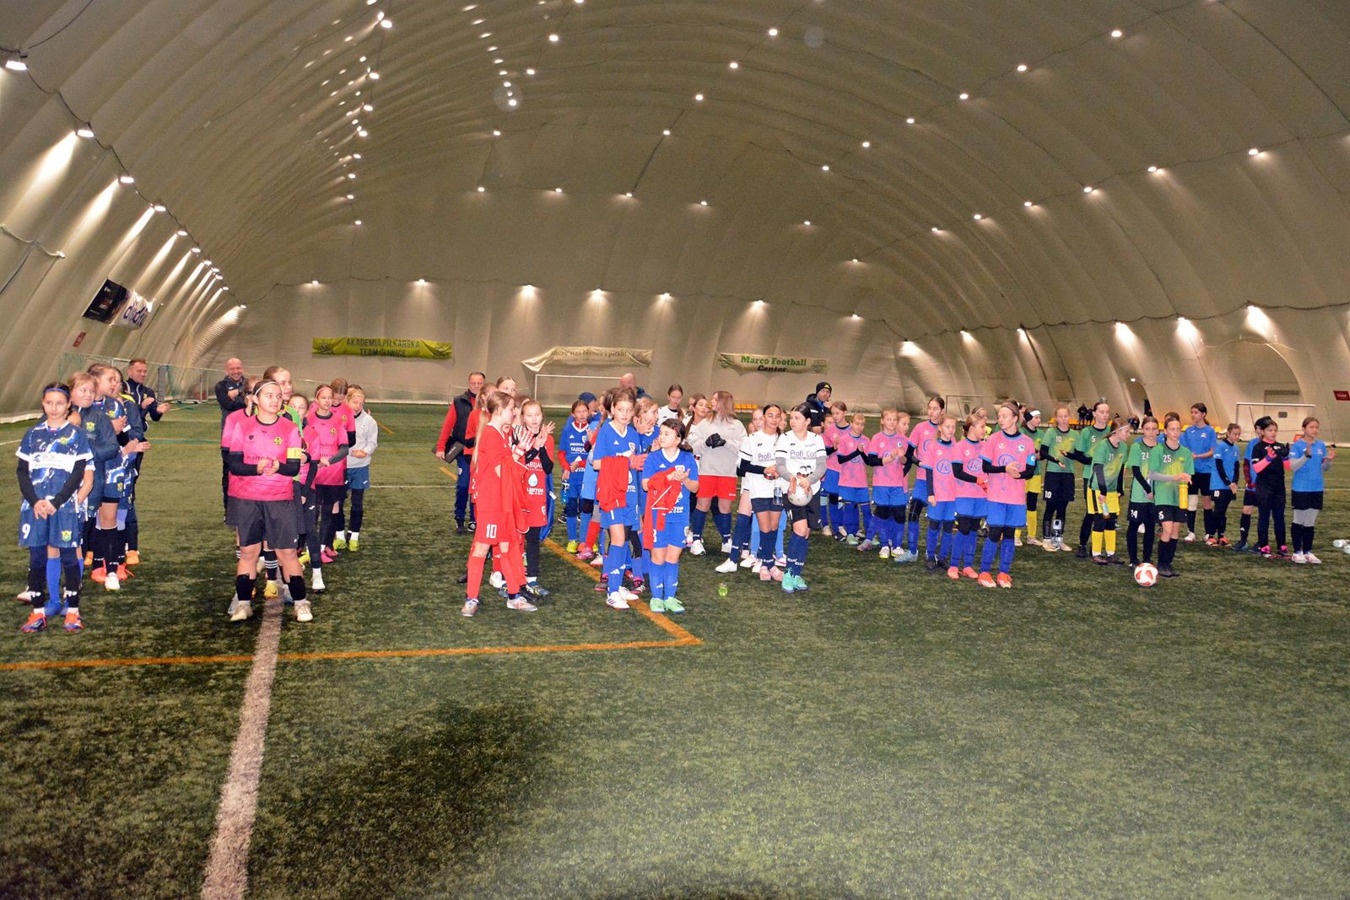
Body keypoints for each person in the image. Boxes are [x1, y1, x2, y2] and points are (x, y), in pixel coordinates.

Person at [225, 380, 309, 622]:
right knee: (248, 551)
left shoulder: (290, 429)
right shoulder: (241, 426)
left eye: (278, 396)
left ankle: (301, 604)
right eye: (269, 395)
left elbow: (293, 466)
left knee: (287, 552)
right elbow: (234, 464)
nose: (275, 400)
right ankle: (243, 605)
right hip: (248, 499)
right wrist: (256, 468)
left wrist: (278, 466)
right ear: (256, 399)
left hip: (279, 499)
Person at [16, 383, 93, 633]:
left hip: (64, 508)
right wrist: (34, 501)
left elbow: (78, 472)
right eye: (49, 403)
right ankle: (38, 612)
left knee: (69, 557)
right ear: (43, 403)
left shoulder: (76, 435)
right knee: (37, 558)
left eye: (59, 403)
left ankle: (73, 611)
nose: (54, 408)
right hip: (35, 508)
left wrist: (57, 501)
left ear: (68, 404)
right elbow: (22, 471)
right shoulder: (32, 434)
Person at [462, 391, 532, 616]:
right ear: (500, 410)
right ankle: (471, 598)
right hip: (492, 503)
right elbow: (502, 471)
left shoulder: (500, 434)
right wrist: (519, 452)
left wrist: (518, 452)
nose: (514, 412)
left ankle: (514, 596)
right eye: (511, 408)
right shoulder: (491, 435)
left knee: (507, 547)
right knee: (482, 548)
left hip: (502, 500)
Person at [974, 403, 1039, 587]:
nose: (1000, 419)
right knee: (994, 533)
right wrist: (1005, 469)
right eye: (999, 416)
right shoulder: (993, 439)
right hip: (996, 496)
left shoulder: (1027, 442)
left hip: (1016, 498)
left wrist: (1018, 474)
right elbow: (986, 467)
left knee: (1009, 534)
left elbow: (1030, 471)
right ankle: (984, 572)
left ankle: (1004, 573)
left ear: (1015, 418)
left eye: (1004, 416)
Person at [641, 419, 699, 612]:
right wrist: (667, 478)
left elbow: (695, 487)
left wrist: (685, 480)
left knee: (673, 557)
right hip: (658, 516)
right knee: (658, 556)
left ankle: (670, 598)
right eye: (661, 433)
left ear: (678, 439)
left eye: (667, 434)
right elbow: (645, 484)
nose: (661, 437)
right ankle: (656, 597)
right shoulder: (653, 458)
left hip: (680, 517)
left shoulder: (687, 458)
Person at [592, 388, 641, 609]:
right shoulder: (606, 431)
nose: (625, 414)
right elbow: (596, 463)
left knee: (625, 540)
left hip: (630, 494)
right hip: (612, 493)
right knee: (618, 539)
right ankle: (612, 592)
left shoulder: (633, 434)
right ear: (612, 409)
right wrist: (624, 460)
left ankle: (618, 584)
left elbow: (637, 465)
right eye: (621, 409)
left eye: (629, 410)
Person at [775, 405, 828, 594]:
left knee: (806, 532)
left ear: (807, 421)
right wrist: (792, 478)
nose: (793, 421)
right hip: (792, 491)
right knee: (799, 529)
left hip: (811, 490)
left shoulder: (816, 439)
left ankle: (797, 573)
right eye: (792, 418)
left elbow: (822, 465)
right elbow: (780, 465)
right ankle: (788, 573)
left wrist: (810, 480)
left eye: (797, 418)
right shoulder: (785, 438)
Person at [122, 359, 168, 565]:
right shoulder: (123, 389)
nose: (142, 374)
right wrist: (140, 408)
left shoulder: (148, 391)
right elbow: (132, 418)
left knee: (130, 484)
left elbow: (154, 418)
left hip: (138, 444)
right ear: (130, 370)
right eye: (139, 371)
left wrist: (158, 410)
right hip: (122, 443)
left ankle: (128, 539)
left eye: (144, 371)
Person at [688, 391, 746, 556]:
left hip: (728, 473)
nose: (711, 402)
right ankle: (696, 540)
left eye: (714, 399)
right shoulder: (705, 423)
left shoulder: (737, 425)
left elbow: (744, 446)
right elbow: (693, 445)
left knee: (725, 507)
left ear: (723, 402)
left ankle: (726, 540)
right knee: (702, 505)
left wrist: (726, 443)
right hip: (707, 471)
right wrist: (705, 443)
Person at [512, 398, 556, 598]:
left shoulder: (548, 438)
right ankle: (513, 579)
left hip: (538, 496)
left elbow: (548, 468)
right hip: (520, 495)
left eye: (537, 415)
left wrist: (543, 446)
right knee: (516, 538)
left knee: (533, 539)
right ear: (522, 418)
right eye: (529, 415)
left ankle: (532, 579)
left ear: (542, 416)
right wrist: (535, 447)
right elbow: (521, 461)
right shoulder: (518, 436)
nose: (534, 419)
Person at [435, 372, 486, 534]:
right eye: (473, 383)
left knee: (478, 487)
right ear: (469, 383)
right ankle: (460, 518)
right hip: (465, 452)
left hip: (484, 454)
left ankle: (475, 520)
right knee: (464, 485)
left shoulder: (490, 404)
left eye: (479, 383)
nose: (476, 386)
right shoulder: (459, 402)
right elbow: (448, 425)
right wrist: (441, 447)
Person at [305, 385, 350, 564]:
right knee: (313, 512)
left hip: (333, 474)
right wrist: (315, 461)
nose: (327, 401)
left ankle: (323, 548)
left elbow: (345, 448)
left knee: (328, 512)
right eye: (323, 397)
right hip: (313, 474)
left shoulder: (338, 421)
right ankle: (308, 548)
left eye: (329, 397)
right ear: (316, 400)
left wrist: (330, 461)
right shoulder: (308, 419)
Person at [1147, 413, 1194, 578]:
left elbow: (1189, 473)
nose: (1175, 432)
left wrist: (1187, 478)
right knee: (1166, 529)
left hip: (1179, 497)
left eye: (1178, 429)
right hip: (1163, 496)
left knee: (1175, 531)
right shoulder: (1158, 450)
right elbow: (1152, 474)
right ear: (1165, 431)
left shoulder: (1186, 453)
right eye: (1172, 429)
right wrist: (1175, 477)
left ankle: (1168, 563)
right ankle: (1161, 564)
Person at [863, 408, 910, 559]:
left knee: (899, 514)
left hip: (897, 483)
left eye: (894, 420)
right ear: (883, 421)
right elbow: (871, 460)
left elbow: (906, 461)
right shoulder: (877, 438)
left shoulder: (902, 439)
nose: (892, 422)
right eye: (889, 419)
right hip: (881, 483)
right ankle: (884, 546)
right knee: (882, 514)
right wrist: (889, 458)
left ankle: (897, 546)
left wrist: (901, 457)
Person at [903, 396, 945, 562]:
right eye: (930, 408)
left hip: (939, 484)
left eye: (935, 408)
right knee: (913, 514)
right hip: (921, 481)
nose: (931, 412)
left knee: (936, 520)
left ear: (942, 411)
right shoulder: (920, 428)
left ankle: (931, 552)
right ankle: (912, 552)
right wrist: (920, 463)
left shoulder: (946, 430)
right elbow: (909, 453)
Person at [1069, 400, 1112, 559]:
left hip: (1110, 479)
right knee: (1091, 512)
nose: (1104, 415)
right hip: (1091, 478)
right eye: (1101, 412)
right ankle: (1083, 545)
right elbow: (1078, 455)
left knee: (1108, 513)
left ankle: (1106, 549)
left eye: (1107, 412)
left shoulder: (1111, 432)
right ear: (1094, 414)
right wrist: (1095, 462)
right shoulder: (1087, 432)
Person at [1289, 417, 1334, 564]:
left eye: (1316, 427)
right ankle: (1297, 552)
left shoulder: (1320, 445)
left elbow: (1324, 468)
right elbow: (1293, 466)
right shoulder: (1297, 446)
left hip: (1317, 487)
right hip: (1301, 488)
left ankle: (1307, 552)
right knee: (1298, 520)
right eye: (1311, 427)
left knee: (1310, 522)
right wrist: (1306, 456)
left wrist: (1329, 460)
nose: (1314, 430)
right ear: (1304, 429)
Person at [948, 415, 988, 579]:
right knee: (963, 528)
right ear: (971, 427)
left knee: (973, 528)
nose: (985, 430)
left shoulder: (985, 446)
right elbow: (957, 472)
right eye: (982, 426)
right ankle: (953, 565)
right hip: (964, 494)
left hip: (981, 496)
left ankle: (968, 566)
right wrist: (976, 480)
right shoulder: (959, 447)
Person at [1087, 418, 1131, 566]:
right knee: (1100, 520)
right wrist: (1103, 491)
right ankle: (1096, 553)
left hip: (1112, 491)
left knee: (1111, 521)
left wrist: (1119, 489)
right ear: (1116, 431)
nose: (1129, 434)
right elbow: (1098, 469)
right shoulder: (1103, 446)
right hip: (1098, 490)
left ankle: (1111, 553)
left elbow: (1120, 469)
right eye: (1127, 431)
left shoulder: (1123, 447)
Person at [1249, 415, 1290, 559]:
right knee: (1264, 517)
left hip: (1279, 487)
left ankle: (1282, 546)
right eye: (1270, 430)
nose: (1273, 433)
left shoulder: (1280, 446)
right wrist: (1268, 458)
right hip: (1264, 487)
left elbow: (1288, 467)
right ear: (1263, 432)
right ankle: (1264, 545)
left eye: (1275, 430)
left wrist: (1285, 457)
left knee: (1279, 517)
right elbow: (1256, 468)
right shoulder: (1258, 447)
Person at [342, 387, 378, 552]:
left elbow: (372, 442)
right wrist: (350, 452)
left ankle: (354, 536)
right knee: (338, 503)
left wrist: (366, 451)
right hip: (342, 466)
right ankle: (339, 536)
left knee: (357, 503)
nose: (357, 406)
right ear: (347, 401)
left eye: (361, 403)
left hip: (360, 467)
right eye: (354, 402)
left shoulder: (369, 422)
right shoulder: (340, 418)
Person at [1038, 405, 1077, 551]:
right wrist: (1055, 460)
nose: (1063, 419)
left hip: (1068, 474)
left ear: (1069, 417)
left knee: (1062, 508)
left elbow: (1078, 454)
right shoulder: (1051, 432)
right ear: (1056, 418)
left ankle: (1058, 539)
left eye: (1065, 416)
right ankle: (1046, 539)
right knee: (1050, 506)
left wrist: (1070, 455)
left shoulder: (1075, 434)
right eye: (1060, 416)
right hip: (1053, 474)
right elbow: (1043, 452)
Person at [924, 416, 960, 571]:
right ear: (940, 428)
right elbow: (929, 472)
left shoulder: (956, 446)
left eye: (953, 427)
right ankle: (930, 556)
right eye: (947, 426)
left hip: (953, 495)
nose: (951, 430)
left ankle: (943, 557)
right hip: (938, 495)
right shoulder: (933, 446)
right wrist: (930, 493)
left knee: (948, 526)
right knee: (934, 525)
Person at [1126, 416, 1160, 568]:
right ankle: (1133, 559)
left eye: (1154, 429)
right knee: (1134, 525)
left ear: (1158, 431)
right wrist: (1148, 489)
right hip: (1139, 495)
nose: (1151, 432)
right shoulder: (1137, 447)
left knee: (1150, 526)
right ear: (1142, 430)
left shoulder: (1161, 449)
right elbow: (1136, 471)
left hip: (1155, 496)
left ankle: (1147, 559)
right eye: (1147, 429)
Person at [1180, 403, 1217, 542]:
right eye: (1192, 412)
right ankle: (1191, 532)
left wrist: (1198, 456)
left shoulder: (1210, 431)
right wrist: (1188, 456)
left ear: (1203, 414)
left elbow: (1212, 451)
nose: (1193, 415)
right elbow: (1184, 450)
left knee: (1207, 502)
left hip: (1206, 471)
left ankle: (1209, 533)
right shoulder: (1188, 431)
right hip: (1192, 471)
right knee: (1192, 502)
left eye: (1196, 412)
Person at [559, 400, 593, 552]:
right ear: (573, 414)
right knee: (571, 509)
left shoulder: (591, 430)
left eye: (584, 411)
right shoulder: (568, 430)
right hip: (571, 479)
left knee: (586, 509)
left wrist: (580, 464)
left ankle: (585, 541)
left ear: (588, 412)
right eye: (578, 412)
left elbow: (594, 455)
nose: (582, 415)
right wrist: (566, 468)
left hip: (587, 478)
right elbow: (561, 453)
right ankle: (572, 540)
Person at [215, 357, 247, 516]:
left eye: (238, 368)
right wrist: (245, 398)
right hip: (230, 438)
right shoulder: (220, 386)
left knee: (248, 472)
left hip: (249, 436)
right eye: (232, 369)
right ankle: (229, 511)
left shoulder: (248, 383)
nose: (236, 371)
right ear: (226, 370)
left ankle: (248, 509)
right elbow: (229, 405)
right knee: (229, 474)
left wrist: (237, 394)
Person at [834, 412, 872, 545]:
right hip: (847, 482)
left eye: (862, 424)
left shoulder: (866, 440)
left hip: (862, 482)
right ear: (851, 424)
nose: (859, 427)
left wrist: (862, 453)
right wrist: (857, 452)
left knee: (866, 510)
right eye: (857, 424)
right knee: (850, 508)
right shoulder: (844, 439)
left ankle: (869, 536)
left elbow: (868, 462)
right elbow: (840, 459)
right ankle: (850, 534)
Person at [819, 401, 849, 538]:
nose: (835, 416)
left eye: (837, 413)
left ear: (845, 413)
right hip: (830, 469)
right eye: (833, 413)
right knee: (830, 497)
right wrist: (834, 447)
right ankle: (826, 525)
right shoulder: (829, 431)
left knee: (841, 498)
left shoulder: (851, 429)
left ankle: (840, 525)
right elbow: (824, 451)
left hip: (845, 470)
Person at [1209, 423, 1242, 548]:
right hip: (1219, 484)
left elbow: (1236, 467)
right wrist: (1228, 482)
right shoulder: (1221, 447)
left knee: (1223, 511)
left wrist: (1234, 482)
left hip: (1229, 486)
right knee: (1218, 510)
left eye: (1238, 434)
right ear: (1228, 433)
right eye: (1234, 434)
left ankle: (1221, 536)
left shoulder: (1236, 449)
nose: (1236, 436)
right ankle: (1211, 535)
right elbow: (1219, 467)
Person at [1017, 408, 1043, 547]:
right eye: (1036, 417)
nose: (1039, 420)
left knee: (1032, 504)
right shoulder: (1021, 432)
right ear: (1028, 418)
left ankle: (1031, 536)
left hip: (1035, 473)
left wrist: (1040, 455)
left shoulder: (1041, 434)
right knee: (1019, 503)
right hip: (1023, 473)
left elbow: (1043, 453)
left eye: (1039, 417)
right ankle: (1016, 535)